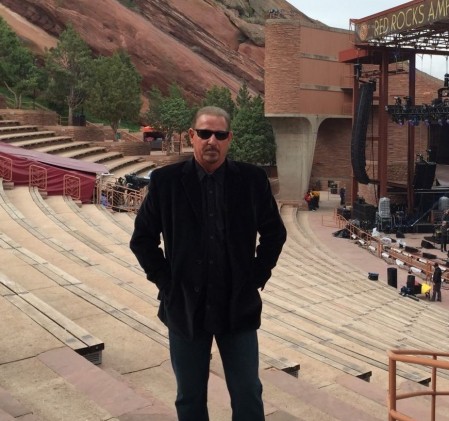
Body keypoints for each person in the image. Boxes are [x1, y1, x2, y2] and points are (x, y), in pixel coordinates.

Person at [130, 106, 287, 421]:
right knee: (189, 398)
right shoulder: (166, 181)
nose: (211, 140)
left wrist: (256, 275)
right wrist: (168, 282)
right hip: (186, 307)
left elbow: (274, 233)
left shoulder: (253, 180)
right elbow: (142, 239)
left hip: (237, 305)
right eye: (204, 133)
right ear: (192, 136)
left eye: (219, 134)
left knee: (247, 394)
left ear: (230, 139)